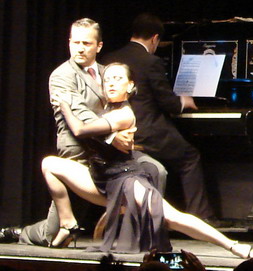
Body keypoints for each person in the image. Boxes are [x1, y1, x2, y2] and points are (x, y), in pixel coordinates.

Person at [49, 62, 253, 258]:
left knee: (171, 218)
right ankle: (67, 223)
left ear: (130, 85)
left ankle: (233, 246)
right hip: (101, 178)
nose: (111, 83)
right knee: (49, 164)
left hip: (125, 181)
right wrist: (112, 138)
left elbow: (80, 129)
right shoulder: (106, 109)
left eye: (118, 78)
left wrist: (64, 105)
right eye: (107, 79)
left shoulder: (123, 113)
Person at [5, 18, 166, 247]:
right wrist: (112, 134)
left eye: (87, 43)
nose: (80, 48)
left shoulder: (106, 72)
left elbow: (121, 106)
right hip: (80, 151)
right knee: (52, 235)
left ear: (98, 46)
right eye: (76, 42)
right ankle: (21, 232)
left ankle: (146, 236)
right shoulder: (62, 76)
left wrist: (122, 130)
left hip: (109, 154)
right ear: (69, 43)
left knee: (157, 170)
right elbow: (80, 118)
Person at [101, 13, 219, 225]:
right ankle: (201, 218)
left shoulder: (109, 57)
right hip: (146, 132)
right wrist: (183, 101)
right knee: (190, 157)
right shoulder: (151, 61)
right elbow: (169, 104)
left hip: (115, 129)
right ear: (155, 38)